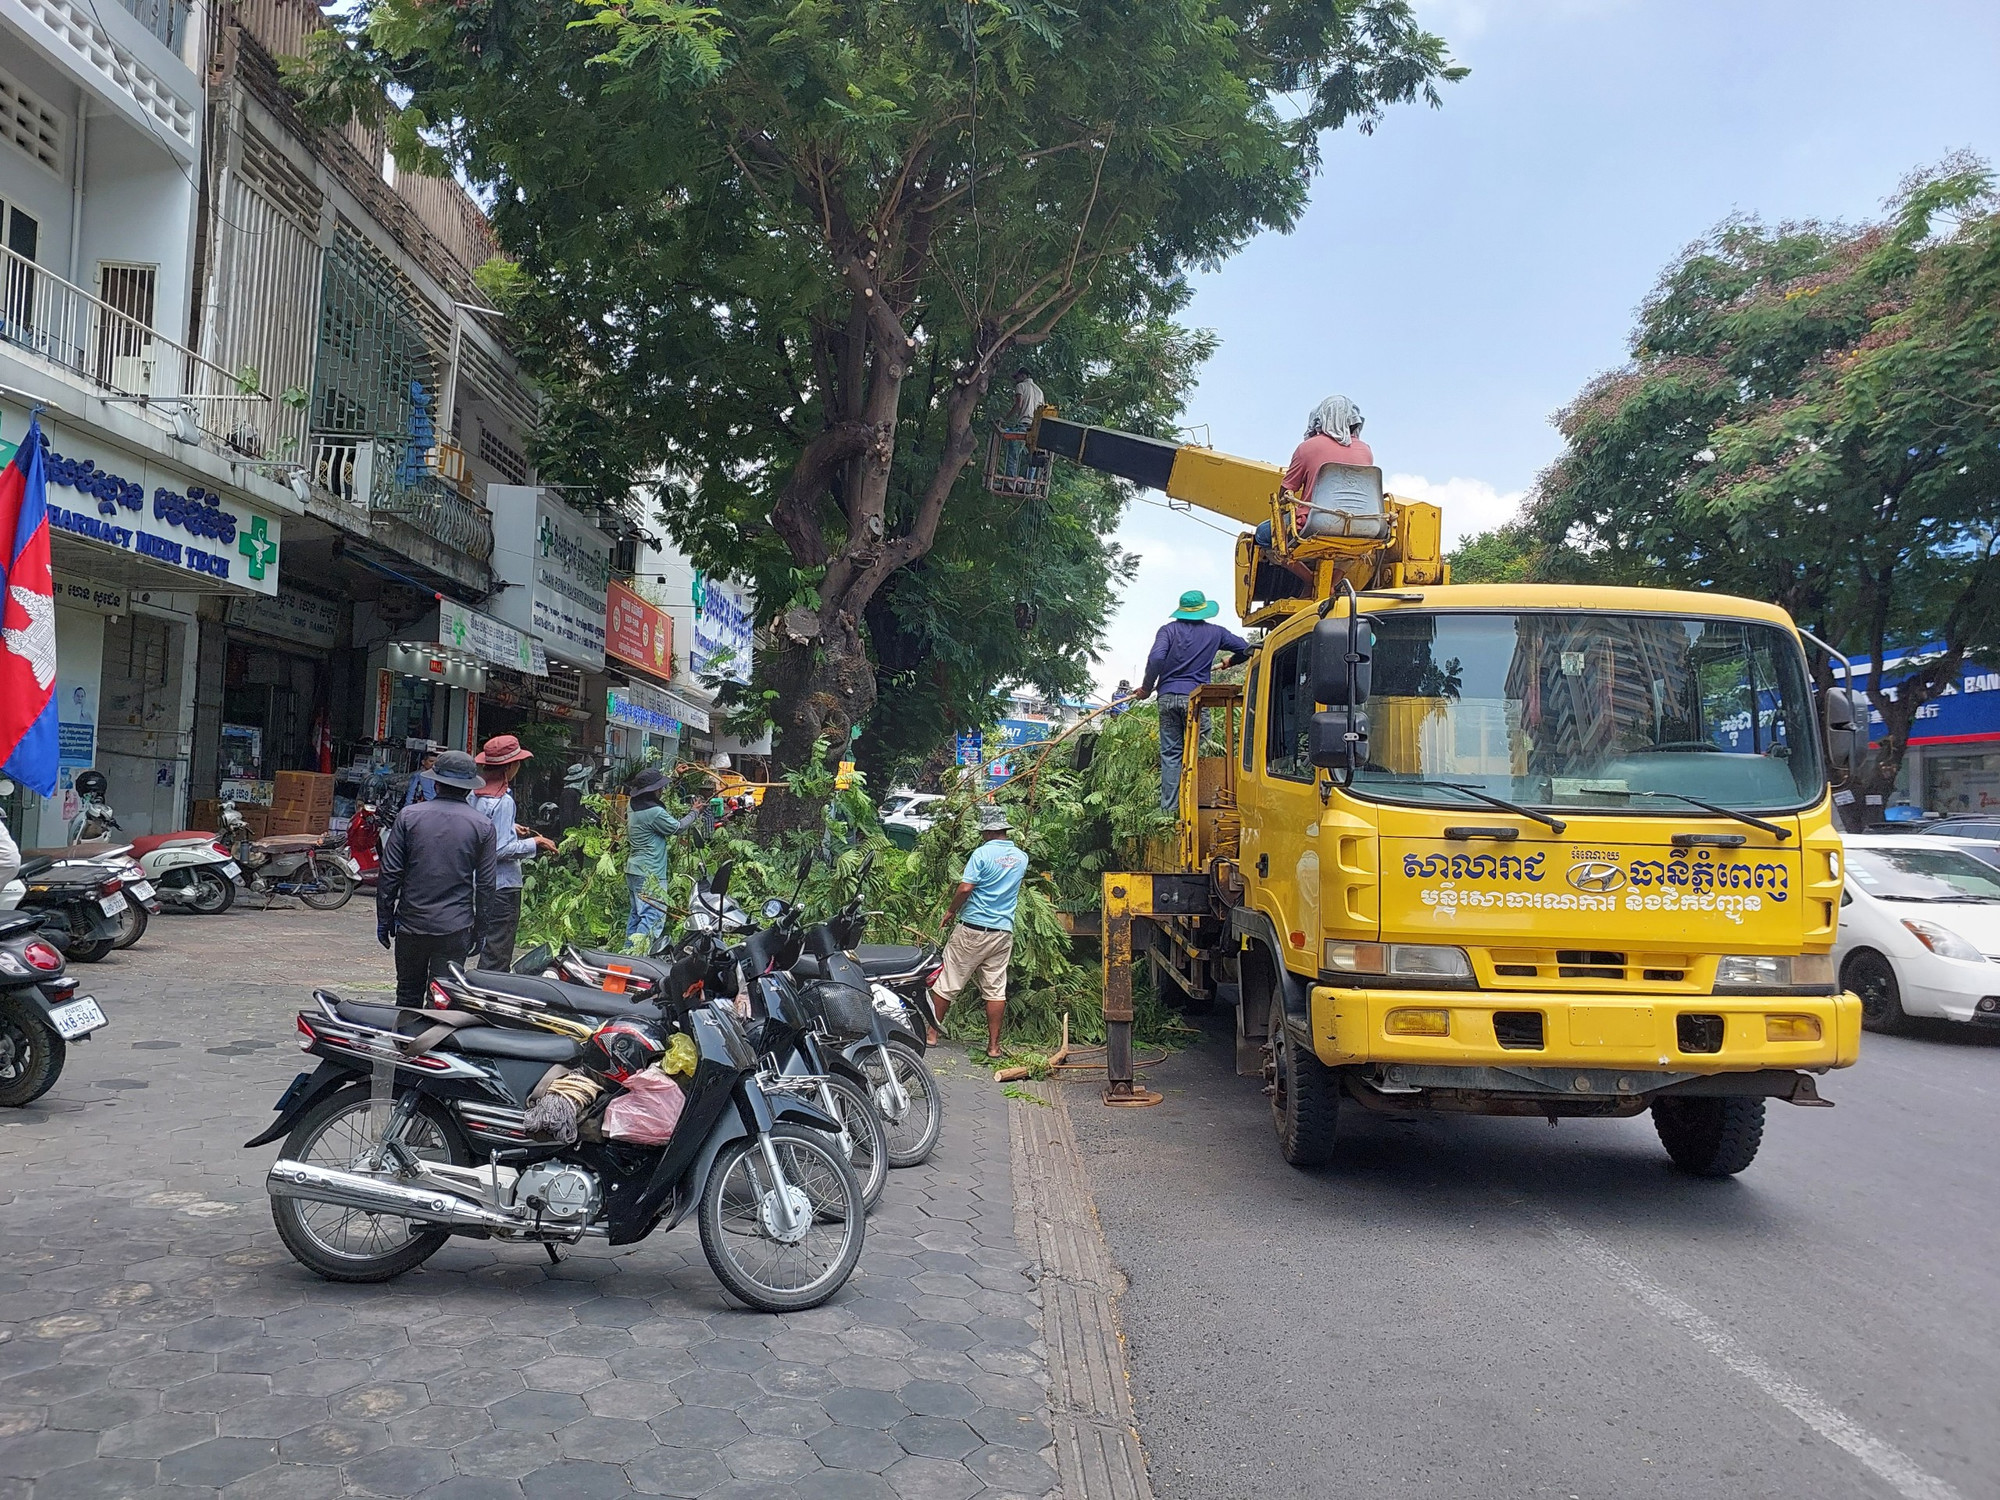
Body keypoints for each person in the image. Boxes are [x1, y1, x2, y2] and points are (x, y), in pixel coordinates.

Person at [377, 750, 497, 1008]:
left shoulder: (409, 816)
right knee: (444, 999)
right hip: (456, 927)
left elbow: (390, 874)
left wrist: (385, 919)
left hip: (412, 924)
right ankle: (434, 1046)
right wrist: (481, 929)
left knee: (407, 993)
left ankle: (405, 1044)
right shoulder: (482, 825)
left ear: (436, 783)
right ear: (468, 789)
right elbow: (486, 885)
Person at [1137, 590, 1252, 811]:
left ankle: (1169, 810)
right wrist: (1233, 660)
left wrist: (1146, 687)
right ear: (1202, 611)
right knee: (1200, 751)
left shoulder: (1168, 630)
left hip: (1168, 697)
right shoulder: (1215, 633)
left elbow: (1156, 658)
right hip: (1196, 699)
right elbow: (1247, 648)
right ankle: (1196, 806)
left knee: (1171, 755)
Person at [931, 805, 1029, 1059]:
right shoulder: (1021, 857)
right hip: (1002, 932)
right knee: (996, 988)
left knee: (948, 981)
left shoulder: (981, 854)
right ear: (1004, 829)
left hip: (974, 929)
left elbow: (965, 888)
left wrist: (951, 911)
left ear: (986, 831)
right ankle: (994, 1046)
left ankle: (931, 1033)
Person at [473, 734, 556, 970]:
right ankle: (489, 995)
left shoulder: (475, 794)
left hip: (478, 881)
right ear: (509, 766)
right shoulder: (503, 801)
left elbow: (482, 831)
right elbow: (499, 849)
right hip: (502, 885)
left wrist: (510, 828)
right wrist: (535, 843)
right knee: (497, 950)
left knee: (487, 942)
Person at [1282, 394, 1373, 499]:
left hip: (1314, 515)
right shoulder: (1366, 451)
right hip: (1359, 515)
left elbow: (1286, 491)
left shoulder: (1307, 448)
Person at [625, 768, 677, 940]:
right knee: (652, 918)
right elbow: (677, 827)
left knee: (636, 916)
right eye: (659, 787)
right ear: (652, 790)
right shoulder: (654, 812)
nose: (661, 791)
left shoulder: (632, 805)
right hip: (651, 873)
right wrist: (695, 812)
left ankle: (627, 957)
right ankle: (640, 957)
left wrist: (677, 775)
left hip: (634, 870)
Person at [401, 748, 439, 812]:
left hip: (436, 806)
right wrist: (407, 806)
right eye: (431, 761)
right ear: (423, 762)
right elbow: (411, 791)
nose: (433, 765)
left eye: (436, 763)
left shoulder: (438, 776)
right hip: (422, 805)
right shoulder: (418, 775)